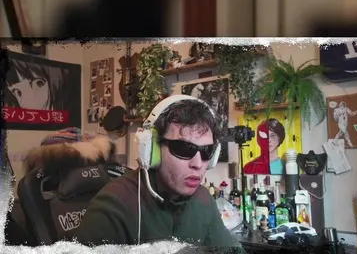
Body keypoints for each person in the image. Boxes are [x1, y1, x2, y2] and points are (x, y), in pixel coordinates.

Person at [72, 98, 241, 251]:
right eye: (183, 149)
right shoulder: (113, 207)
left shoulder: (203, 199)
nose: (197, 164)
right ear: (152, 151)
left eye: (206, 151)